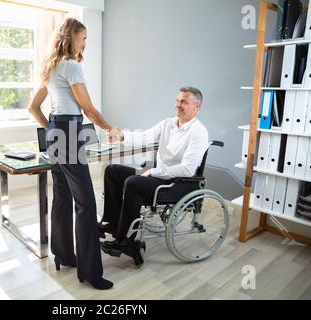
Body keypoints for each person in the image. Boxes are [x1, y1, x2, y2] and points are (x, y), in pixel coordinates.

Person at [28, 18, 115, 290]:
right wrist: (112, 129)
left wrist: (54, 131)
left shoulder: (51, 66)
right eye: (83, 37)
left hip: (56, 131)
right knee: (86, 203)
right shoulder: (72, 66)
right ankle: (90, 272)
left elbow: (34, 108)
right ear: (71, 37)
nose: (85, 43)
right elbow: (88, 110)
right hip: (69, 130)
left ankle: (64, 255)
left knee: (62, 198)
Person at [101, 87, 209, 266]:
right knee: (112, 171)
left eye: (184, 102)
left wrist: (154, 172)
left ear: (197, 106)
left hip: (179, 183)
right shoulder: (168, 123)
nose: (178, 105)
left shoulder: (199, 132)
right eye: (177, 100)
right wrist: (121, 135)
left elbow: (187, 170)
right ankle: (113, 223)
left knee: (133, 182)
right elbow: (144, 136)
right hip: (161, 177)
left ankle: (128, 242)